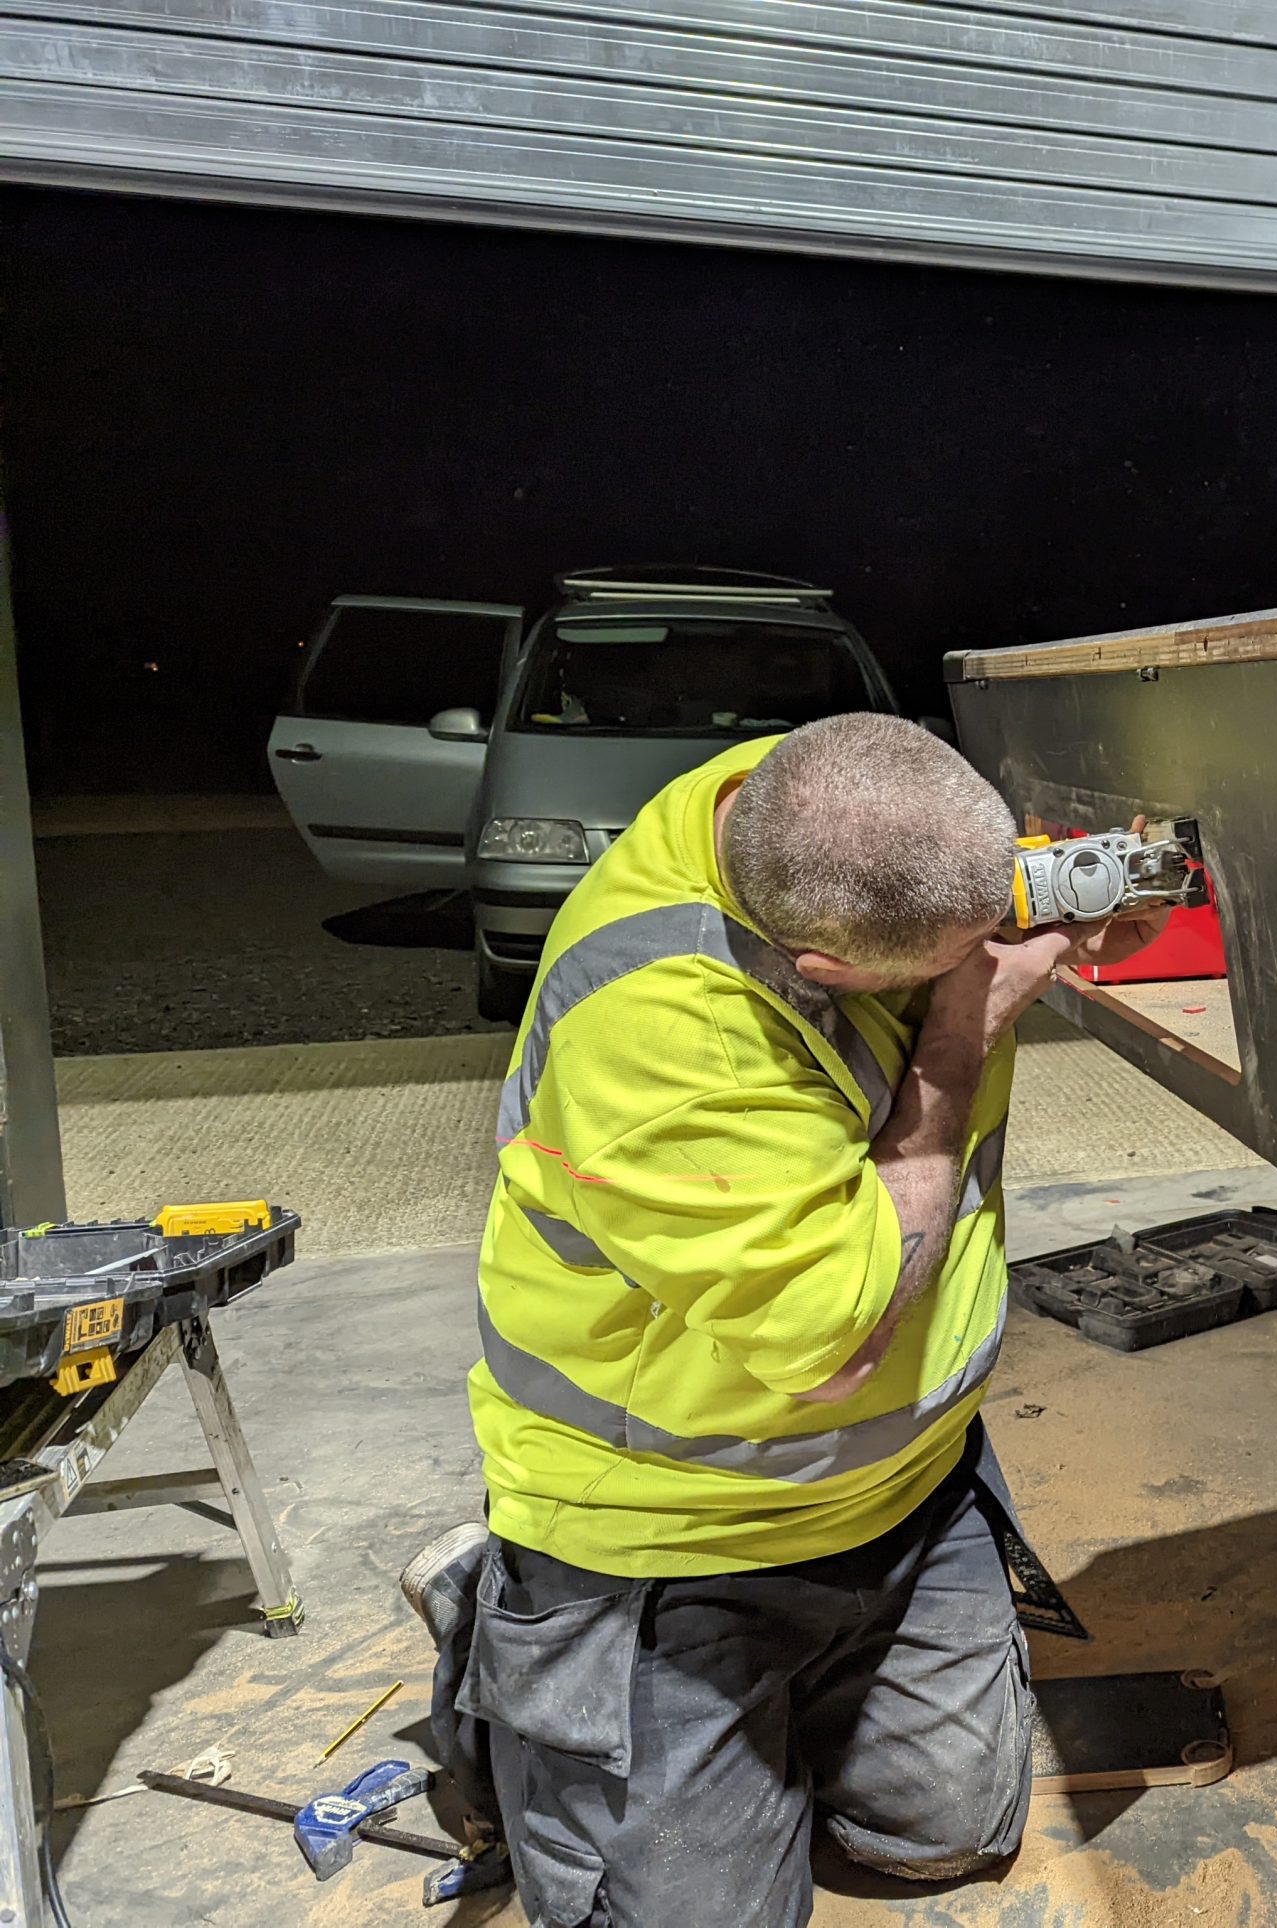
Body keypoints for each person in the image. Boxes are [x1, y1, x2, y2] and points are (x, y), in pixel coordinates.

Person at [400, 713, 1161, 1926]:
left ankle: (771, 1702)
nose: (988, 955)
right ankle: (502, 1649)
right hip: (668, 1534)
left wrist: (1067, 900)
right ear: (824, 969)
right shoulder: (661, 1032)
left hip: (906, 1490)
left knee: (941, 1840)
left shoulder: (817, 806)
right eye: (946, 963)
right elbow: (834, 1341)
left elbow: (943, 876)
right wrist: (960, 1027)